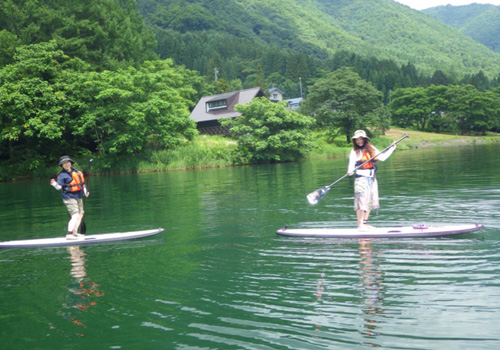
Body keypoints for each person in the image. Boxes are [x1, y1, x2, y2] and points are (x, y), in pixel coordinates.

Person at [347, 130, 396, 231]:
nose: (359, 141)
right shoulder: (354, 152)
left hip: (372, 179)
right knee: (361, 202)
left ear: (365, 139)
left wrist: (392, 148)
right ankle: (360, 225)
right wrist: (350, 171)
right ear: (355, 141)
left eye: (361, 139)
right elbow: (351, 165)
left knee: (370, 201)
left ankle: (365, 223)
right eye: (357, 140)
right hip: (361, 179)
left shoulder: (371, 149)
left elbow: (382, 158)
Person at [50, 156, 89, 240]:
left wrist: (85, 192)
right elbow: (59, 187)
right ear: (62, 165)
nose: (66, 164)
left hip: (78, 196)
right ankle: (69, 234)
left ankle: (74, 232)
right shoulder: (62, 175)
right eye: (64, 163)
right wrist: (54, 184)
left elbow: (82, 184)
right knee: (75, 215)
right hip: (68, 197)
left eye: (68, 162)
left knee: (80, 215)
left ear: (70, 163)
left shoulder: (77, 172)